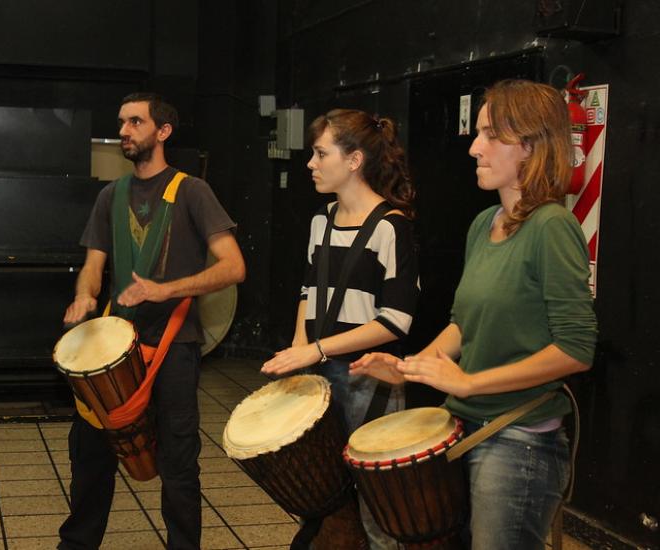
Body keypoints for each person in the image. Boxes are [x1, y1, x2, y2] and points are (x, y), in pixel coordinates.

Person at [350, 79, 598, 550]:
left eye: (489, 135)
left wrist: (468, 383)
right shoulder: (485, 224)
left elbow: (576, 348)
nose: (474, 148)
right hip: (463, 427)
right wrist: (407, 368)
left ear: (528, 145)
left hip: (518, 442)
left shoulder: (553, 226)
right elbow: (463, 325)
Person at [58, 92, 245, 550]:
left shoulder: (192, 192)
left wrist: (165, 289)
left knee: (179, 461)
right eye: (122, 122)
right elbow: (93, 264)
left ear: (163, 132)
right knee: (90, 454)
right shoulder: (110, 195)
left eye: (135, 122)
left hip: (175, 346)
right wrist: (84, 295)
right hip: (113, 350)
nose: (124, 130)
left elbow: (233, 267)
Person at [261, 108, 419, 549]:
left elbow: (396, 321)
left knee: (378, 514)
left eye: (320, 153)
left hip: (370, 379)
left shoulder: (392, 226)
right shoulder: (320, 220)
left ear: (353, 161)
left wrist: (317, 349)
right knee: (325, 502)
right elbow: (308, 291)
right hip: (320, 375)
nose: (310, 163)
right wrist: (297, 351)